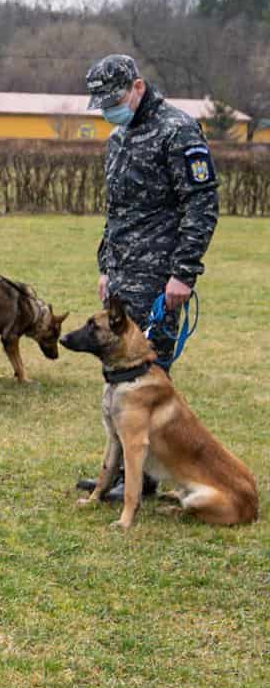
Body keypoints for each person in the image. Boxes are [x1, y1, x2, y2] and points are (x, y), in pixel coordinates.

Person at [76, 53, 219, 500]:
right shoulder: (119, 137)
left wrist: (183, 273)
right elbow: (116, 211)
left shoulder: (178, 131)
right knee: (118, 379)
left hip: (159, 277)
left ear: (137, 87)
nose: (106, 108)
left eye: (113, 98)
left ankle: (145, 477)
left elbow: (201, 205)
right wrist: (106, 264)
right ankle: (118, 471)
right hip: (121, 275)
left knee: (147, 378)